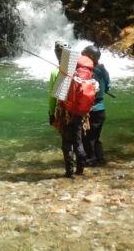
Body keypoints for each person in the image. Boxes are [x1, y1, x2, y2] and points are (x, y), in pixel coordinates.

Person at [48, 40, 88, 178]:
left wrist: (51, 113)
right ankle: (81, 170)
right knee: (78, 141)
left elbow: (53, 97)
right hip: (79, 112)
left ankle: (69, 172)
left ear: (57, 54)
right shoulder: (81, 72)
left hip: (64, 112)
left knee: (66, 143)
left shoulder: (55, 72)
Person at [81, 45, 110, 166]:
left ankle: (91, 159)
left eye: (85, 55)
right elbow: (108, 86)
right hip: (101, 110)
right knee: (95, 136)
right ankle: (100, 158)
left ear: (91, 57)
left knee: (88, 138)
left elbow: (85, 91)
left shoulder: (89, 71)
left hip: (92, 110)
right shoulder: (102, 69)